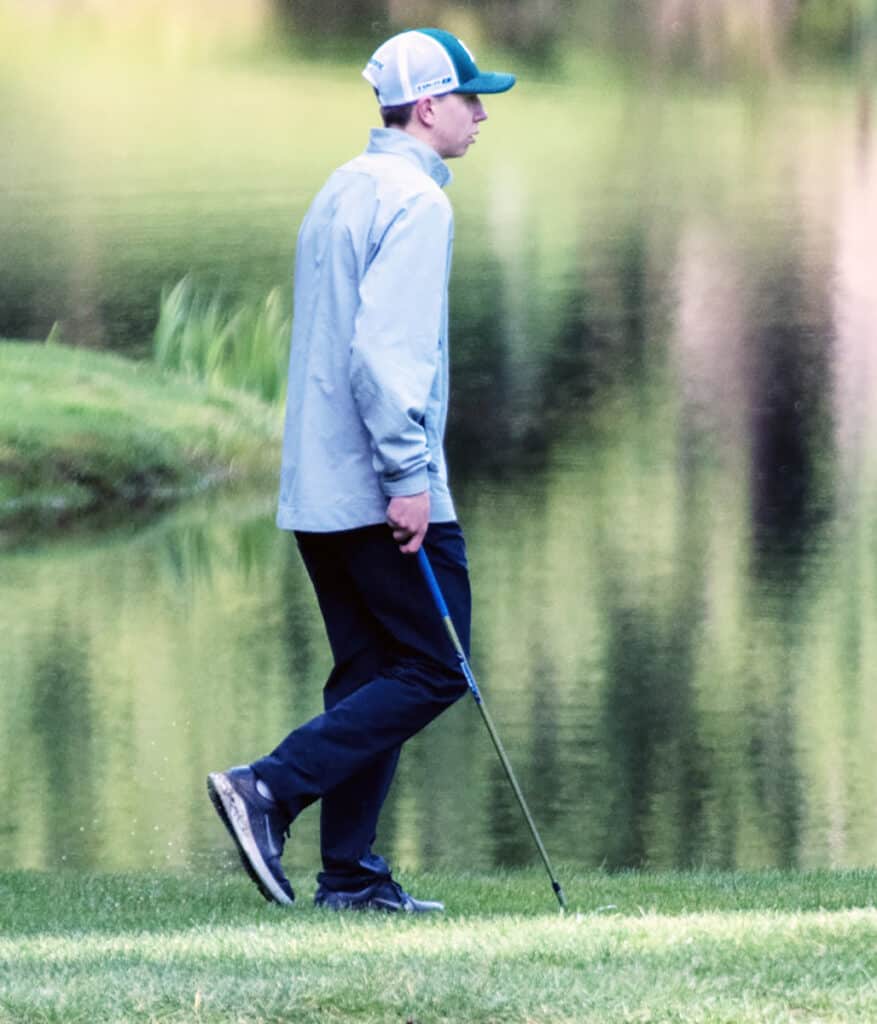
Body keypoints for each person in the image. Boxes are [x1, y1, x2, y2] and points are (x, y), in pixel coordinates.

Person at [207, 27, 516, 913]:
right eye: (469, 98)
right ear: (428, 107)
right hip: (382, 486)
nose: (480, 113)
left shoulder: (345, 184)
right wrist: (409, 476)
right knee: (435, 667)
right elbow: (385, 358)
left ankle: (349, 878)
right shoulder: (418, 204)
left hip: (318, 491)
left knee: (368, 673)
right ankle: (267, 788)